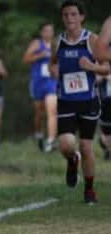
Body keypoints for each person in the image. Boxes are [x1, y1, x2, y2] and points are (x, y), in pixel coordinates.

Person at [50, 0, 110, 204]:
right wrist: (54, 71)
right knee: (66, 145)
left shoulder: (92, 39)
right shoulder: (57, 41)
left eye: (74, 14)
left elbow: (106, 68)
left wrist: (91, 68)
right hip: (66, 100)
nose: (69, 19)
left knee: (86, 146)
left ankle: (90, 189)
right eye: (66, 15)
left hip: (88, 100)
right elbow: (52, 65)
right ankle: (72, 160)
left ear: (82, 17)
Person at [23, 23, 58, 152]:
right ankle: (39, 134)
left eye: (51, 31)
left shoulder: (55, 44)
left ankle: (51, 141)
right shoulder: (37, 44)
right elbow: (25, 59)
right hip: (38, 82)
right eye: (46, 31)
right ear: (42, 32)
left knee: (52, 111)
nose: (49, 33)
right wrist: (39, 55)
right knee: (39, 113)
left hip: (51, 81)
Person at [94, 17, 111, 160]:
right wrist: (105, 76)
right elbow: (96, 76)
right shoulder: (101, 51)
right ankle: (106, 146)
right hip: (106, 95)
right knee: (107, 129)